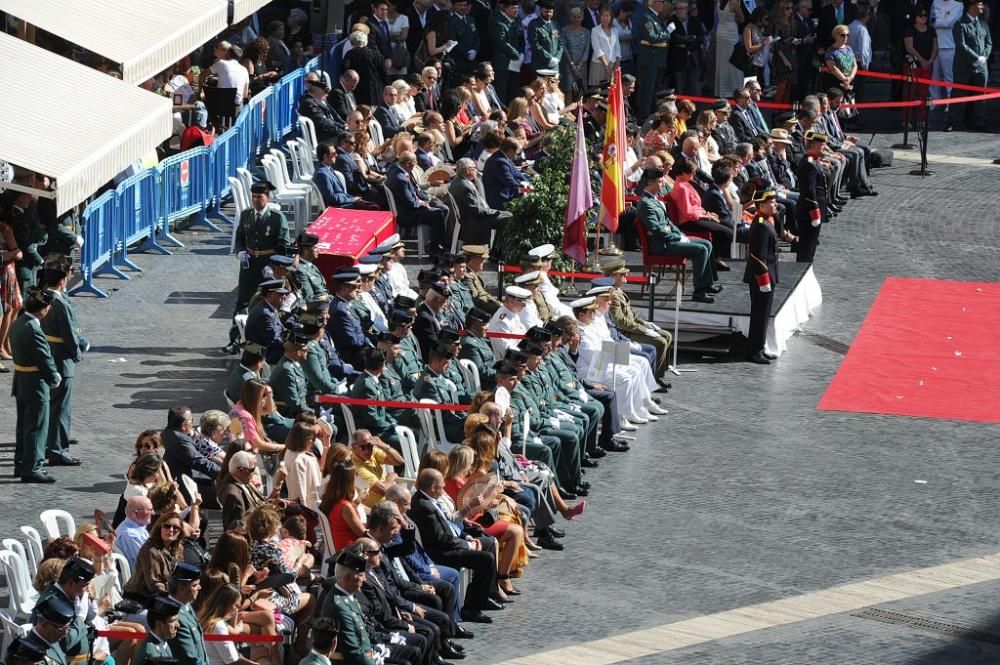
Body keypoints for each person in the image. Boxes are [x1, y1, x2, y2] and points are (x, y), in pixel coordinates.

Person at [409, 469, 500, 623]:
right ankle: (471, 608)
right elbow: (442, 539)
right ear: (432, 487)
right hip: (441, 552)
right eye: (441, 484)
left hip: (451, 542)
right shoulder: (424, 506)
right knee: (486, 559)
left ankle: (484, 596)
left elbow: (448, 525)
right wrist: (469, 546)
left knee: (488, 544)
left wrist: (467, 537)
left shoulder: (429, 500)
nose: (444, 486)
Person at [636, 168, 719, 303]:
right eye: (660, 182)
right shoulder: (646, 204)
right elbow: (657, 229)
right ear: (650, 183)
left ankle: (707, 284)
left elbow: (668, 223)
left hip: (668, 239)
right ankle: (699, 291)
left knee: (707, 244)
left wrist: (680, 234)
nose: (663, 184)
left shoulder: (654, 200)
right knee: (701, 250)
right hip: (662, 245)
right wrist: (676, 237)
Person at [11, 288, 59, 483]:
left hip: (21, 380)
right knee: (37, 427)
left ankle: (21, 463)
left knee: (23, 426)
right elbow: (44, 358)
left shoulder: (18, 322)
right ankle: (33, 468)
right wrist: (54, 376)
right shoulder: (34, 328)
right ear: (43, 310)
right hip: (35, 384)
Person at [233, 183, 289, 315]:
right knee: (243, 300)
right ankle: (237, 331)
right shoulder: (246, 215)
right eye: (253, 197)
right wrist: (240, 251)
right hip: (249, 263)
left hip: (268, 264)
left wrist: (273, 265)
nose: (255, 200)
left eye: (259, 197)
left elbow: (283, 246)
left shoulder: (277, 218)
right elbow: (240, 236)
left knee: (270, 300)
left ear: (267, 198)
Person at [744, 189, 780, 364]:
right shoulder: (760, 224)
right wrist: (764, 279)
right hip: (762, 277)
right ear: (762, 205)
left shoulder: (765, 220)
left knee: (763, 314)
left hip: (766, 274)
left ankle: (758, 346)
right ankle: (755, 350)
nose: (775, 205)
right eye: (772, 203)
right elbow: (758, 255)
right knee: (760, 314)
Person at [319, 550, 374, 665]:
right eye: (361, 575)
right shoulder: (339, 607)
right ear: (348, 578)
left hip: (367, 651)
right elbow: (353, 653)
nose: (364, 579)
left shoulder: (346, 593)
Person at [385, 151, 448, 251]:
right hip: (407, 214)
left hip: (412, 206)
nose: (417, 163)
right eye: (415, 161)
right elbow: (410, 203)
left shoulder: (402, 170)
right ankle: (435, 249)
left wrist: (429, 199)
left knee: (443, 207)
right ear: (408, 163)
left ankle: (438, 240)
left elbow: (416, 190)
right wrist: (424, 204)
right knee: (438, 214)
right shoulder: (400, 178)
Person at [449, 159, 512, 245]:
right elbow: (478, 210)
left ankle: (496, 251)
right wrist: (498, 212)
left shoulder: (457, 181)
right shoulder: (465, 186)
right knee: (508, 219)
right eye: (474, 168)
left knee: (507, 215)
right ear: (467, 170)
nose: (476, 170)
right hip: (475, 221)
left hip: (471, 217)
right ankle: (497, 252)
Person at [951, 0, 991, 131]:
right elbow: (961, 45)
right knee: (958, 94)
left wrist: (984, 57)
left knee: (981, 95)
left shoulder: (983, 24)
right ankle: (953, 122)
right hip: (964, 66)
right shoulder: (960, 24)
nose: (982, 7)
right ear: (971, 6)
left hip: (981, 66)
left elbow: (988, 42)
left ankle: (979, 122)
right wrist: (976, 58)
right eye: (979, 4)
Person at [125, 512, 185, 597]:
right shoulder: (151, 550)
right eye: (167, 526)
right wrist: (178, 591)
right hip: (140, 597)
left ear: (180, 533)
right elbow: (154, 586)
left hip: (167, 593)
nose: (171, 530)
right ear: (160, 528)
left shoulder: (179, 548)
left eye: (175, 527)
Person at [167, 562, 211, 665]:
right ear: (181, 589)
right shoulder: (176, 617)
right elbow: (189, 659)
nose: (199, 588)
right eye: (195, 585)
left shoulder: (186, 605)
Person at [319, 459, 368, 551]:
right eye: (355, 475)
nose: (357, 477)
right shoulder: (346, 507)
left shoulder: (332, 500)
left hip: (342, 545)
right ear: (350, 480)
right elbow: (363, 533)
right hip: (351, 551)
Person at [795, 131, 828, 263]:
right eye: (822, 145)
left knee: (810, 245)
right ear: (814, 145)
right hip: (809, 212)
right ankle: (802, 272)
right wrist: (815, 213)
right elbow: (809, 191)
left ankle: (806, 269)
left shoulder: (812, 161)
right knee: (807, 247)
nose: (824, 147)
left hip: (811, 211)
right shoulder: (809, 164)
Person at [217, 451, 268, 529]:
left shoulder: (242, 481)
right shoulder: (232, 494)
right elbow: (236, 528)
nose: (254, 473)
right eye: (252, 469)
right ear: (241, 471)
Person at [134, 595, 182, 665]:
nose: (178, 625)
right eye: (172, 621)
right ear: (159, 624)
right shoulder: (151, 652)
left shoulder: (162, 643)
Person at [931, 0, 963, 102]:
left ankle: (950, 101)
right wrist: (942, 20)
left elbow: (948, 23)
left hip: (948, 45)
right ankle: (934, 100)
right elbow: (929, 21)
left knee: (949, 77)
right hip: (934, 45)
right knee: (933, 77)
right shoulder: (934, 2)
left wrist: (937, 21)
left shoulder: (958, 5)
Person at [115, 496, 153, 568]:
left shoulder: (132, 526)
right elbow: (147, 562)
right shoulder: (131, 536)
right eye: (149, 510)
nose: (152, 513)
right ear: (136, 513)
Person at [824, 25, 858, 96]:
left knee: (849, 104)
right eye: (843, 35)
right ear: (836, 35)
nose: (846, 37)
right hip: (835, 82)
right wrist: (844, 79)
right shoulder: (830, 50)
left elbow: (854, 65)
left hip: (849, 81)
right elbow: (833, 68)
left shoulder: (849, 49)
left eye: (847, 35)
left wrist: (850, 77)